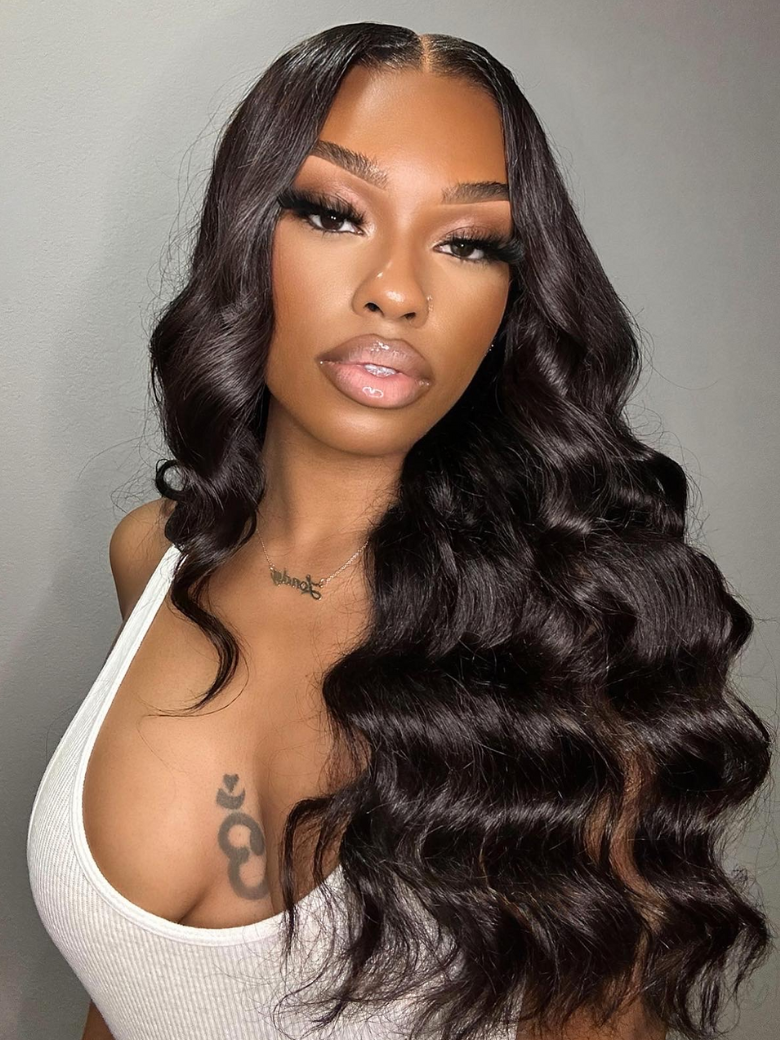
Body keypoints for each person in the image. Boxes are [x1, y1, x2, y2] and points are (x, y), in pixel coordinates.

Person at [27, 21, 773, 1040]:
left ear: (513, 294)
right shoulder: (151, 556)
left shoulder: (575, 650)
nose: (397, 290)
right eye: (335, 213)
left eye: (467, 242)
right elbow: (134, 996)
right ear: (248, 236)